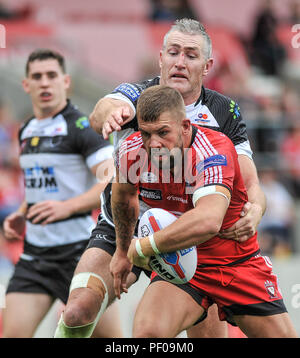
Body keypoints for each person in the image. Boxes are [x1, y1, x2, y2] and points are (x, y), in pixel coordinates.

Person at [56, 18, 266, 338]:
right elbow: (103, 109)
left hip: (191, 238)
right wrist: (107, 115)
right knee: (76, 311)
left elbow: (249, 181)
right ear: (161, 58)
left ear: (207, 65)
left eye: (191, 55)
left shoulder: (224, 111)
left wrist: (256, 209)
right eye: (173, 52)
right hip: (124, 226)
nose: (180, 62)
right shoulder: (140, 96)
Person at [113, 84, 297, 338]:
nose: (153, 143)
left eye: (163, 132)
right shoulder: (132, 150)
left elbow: (208, 220)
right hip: (183, 269)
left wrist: (142, 247)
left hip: (236, 264)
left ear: (185, 127)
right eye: (146, 133)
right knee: (147, 335)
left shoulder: (214, 150)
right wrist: (122, 251)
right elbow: (122, 198)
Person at [2, 48, 120, 338]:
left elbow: (112, 181)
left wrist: (67, 207)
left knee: (114, 341)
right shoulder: (27, 129)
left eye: (52, 75)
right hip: (35, 259)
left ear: (65, 81)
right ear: (26, 85)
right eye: (37, 77)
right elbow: (39, 186)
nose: (45, 83)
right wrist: (21, 213)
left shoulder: (82, 128)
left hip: (81, 254)